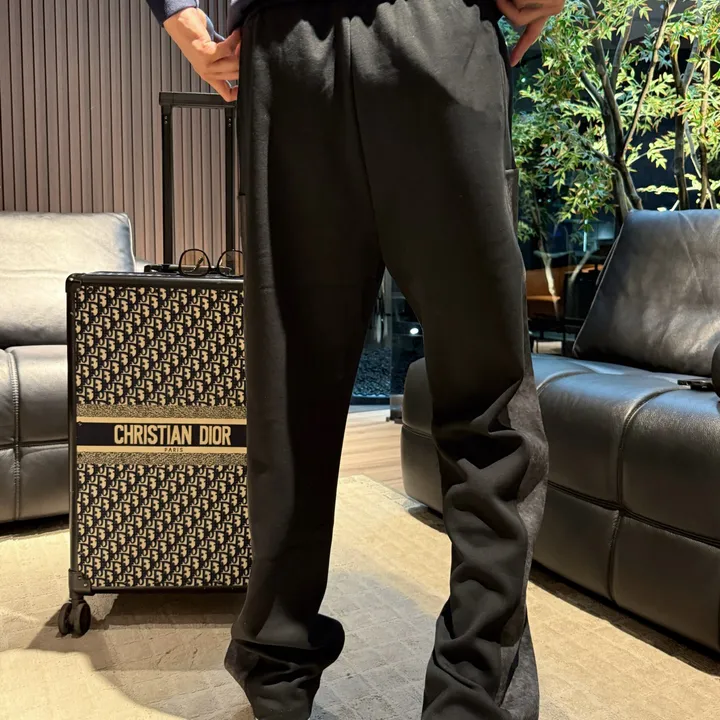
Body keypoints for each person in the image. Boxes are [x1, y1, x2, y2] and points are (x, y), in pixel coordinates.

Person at [147, 1, 565, 718]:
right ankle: (473, 692)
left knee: (292, 396)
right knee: (485, 406)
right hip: (429, 35)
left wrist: (179, 10)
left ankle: (277, 678)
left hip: (295, 52)